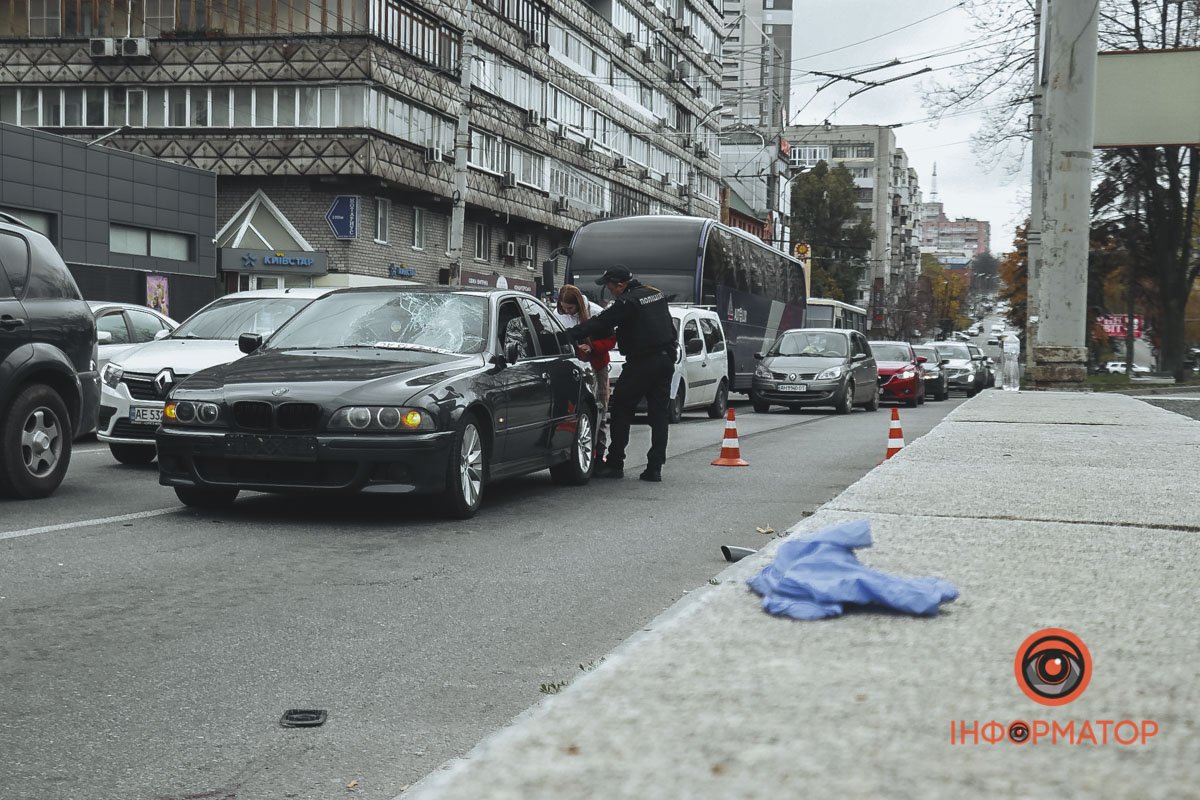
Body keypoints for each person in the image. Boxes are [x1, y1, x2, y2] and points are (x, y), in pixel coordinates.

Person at [564, 265, 676, 482]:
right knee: (659, 415)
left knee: (621, 410)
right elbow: (668, 326)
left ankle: (615, 463)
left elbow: (601, 321)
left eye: (609, 287)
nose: (609, 291)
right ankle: (655, 467)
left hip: (642, 363)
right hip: (665, 360)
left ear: (620, 285)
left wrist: (568, 334)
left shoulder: (628, 302)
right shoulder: (654, 293)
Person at [554, 285, 616, 464]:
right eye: (563, 308)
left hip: (596, 365)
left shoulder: (596, 313)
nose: (566, 311)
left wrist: (592, 347)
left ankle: (598, 453)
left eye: (570, 308)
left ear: (579, 305)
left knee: (600, 407)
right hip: (570, 367)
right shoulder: (557, 315)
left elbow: (611, 340)